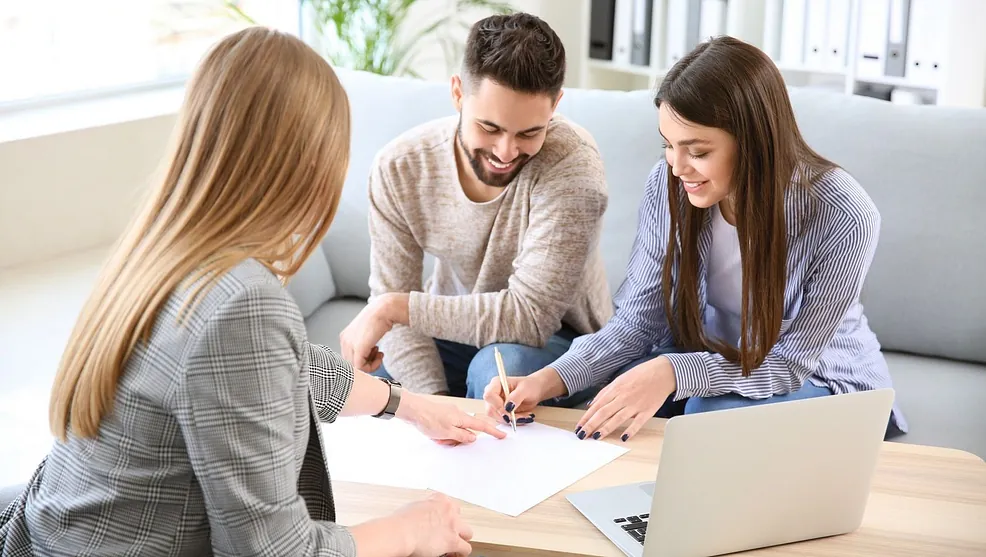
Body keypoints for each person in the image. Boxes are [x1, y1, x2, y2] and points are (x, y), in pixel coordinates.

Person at [0, 27, 505, 557]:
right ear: (311, 164)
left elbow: (283, 365)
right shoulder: (241, 303)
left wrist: (407, 405)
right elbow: (275, 551)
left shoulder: (158, 252)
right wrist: (412, 529)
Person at [483, 36, 908, 442]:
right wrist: (549, 379)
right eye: (668, 145)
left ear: (755, 142)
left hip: (817, 377)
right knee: (613, 399)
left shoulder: (844, 214)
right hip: (705, 361)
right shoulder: (668, 185)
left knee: (708, 415)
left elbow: (788, 364)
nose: (678, 167)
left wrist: (673, 371)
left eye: (698, 151)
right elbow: (638, 321)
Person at [338, 12, 612, 405]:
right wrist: (433, 405)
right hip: (452, 329)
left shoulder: (572, 166)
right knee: (372, 375)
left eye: (529, 132)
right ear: (457, 93)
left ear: (556, 105)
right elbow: (394, 314)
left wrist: (395, 308)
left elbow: (530, 317)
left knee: (497, 370)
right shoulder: (400, 168)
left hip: (561, 340)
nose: (506, 152)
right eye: (490, 127)